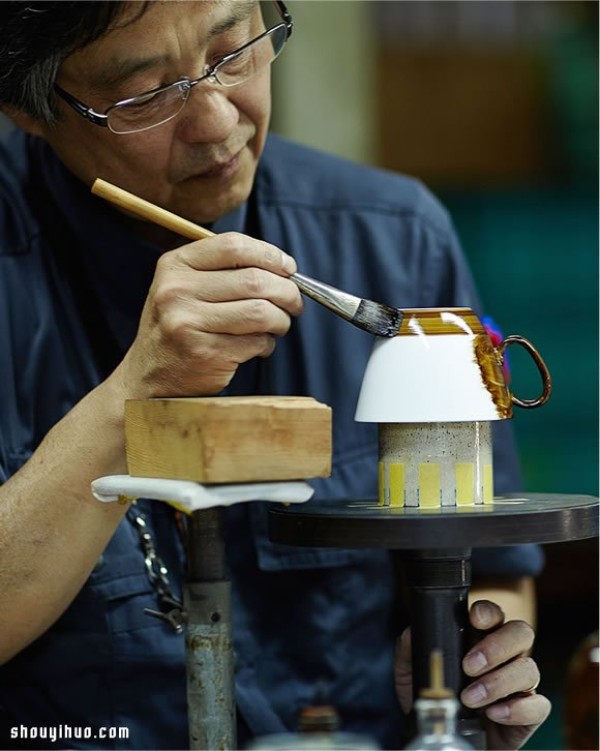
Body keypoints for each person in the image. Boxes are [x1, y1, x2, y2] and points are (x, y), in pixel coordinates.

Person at [0, 2, 551, 749]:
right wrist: (136, 392)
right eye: (145, 95)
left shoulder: (392, 239)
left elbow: (492, 563)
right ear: (27, 109)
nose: (217, 120)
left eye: (233, 50)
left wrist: (469, 668)